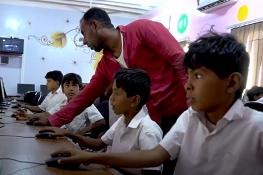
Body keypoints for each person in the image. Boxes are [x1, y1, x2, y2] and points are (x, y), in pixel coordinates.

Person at [51, 33, 263, 175]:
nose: (187, 85)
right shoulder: (190, 117)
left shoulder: (257, 128)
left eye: (197, 76)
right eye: (187, 76)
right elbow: (156, 155)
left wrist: (92, 157)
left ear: (232, 82)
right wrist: (89, 157)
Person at [30, 7, 187, 135]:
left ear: (95, 25)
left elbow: (180, 60)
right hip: (154, 121)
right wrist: (53, 120)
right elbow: (86, 96)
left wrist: (195, 107)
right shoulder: (105, 64)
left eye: (83, 34)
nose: (84, 41)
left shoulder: (142, 29)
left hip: (183, 113)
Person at [42, 68, 163, 175]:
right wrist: (68, 134)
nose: (111, 98)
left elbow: (151, 172)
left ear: (134, 100)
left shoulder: (148, 130)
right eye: (112, 92)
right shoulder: (122, 120)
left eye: (117, 93)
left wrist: (98, 159)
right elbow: (99, 144)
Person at [36, 73, 105, 135]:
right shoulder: (63, 103)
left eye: (74, 85)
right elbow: (48, 114)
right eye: (67, 86)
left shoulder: (86, 104)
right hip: (67, 136)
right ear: (63, 90)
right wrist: (29, 116)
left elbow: (100, 121)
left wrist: (77, 134)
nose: (71, 89)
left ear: (80, 89)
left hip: (81, 139)